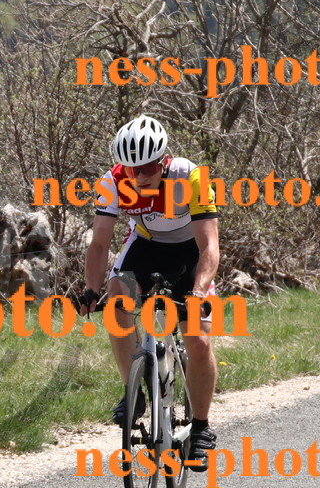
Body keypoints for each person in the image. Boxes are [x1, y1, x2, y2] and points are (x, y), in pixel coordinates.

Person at [78, 115, 220, 455]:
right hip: (146, 245)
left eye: (149, 168)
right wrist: (91, 289)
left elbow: (209, 246)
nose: (140, 176)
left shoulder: (191, 177)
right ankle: (134, 392)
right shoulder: (113, 181)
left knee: (198, 340)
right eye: (133, 170)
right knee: (117, 300)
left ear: (164, 161)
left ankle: (201, 426)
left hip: (189, 250)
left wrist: (198, 292)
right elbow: (99, 244)